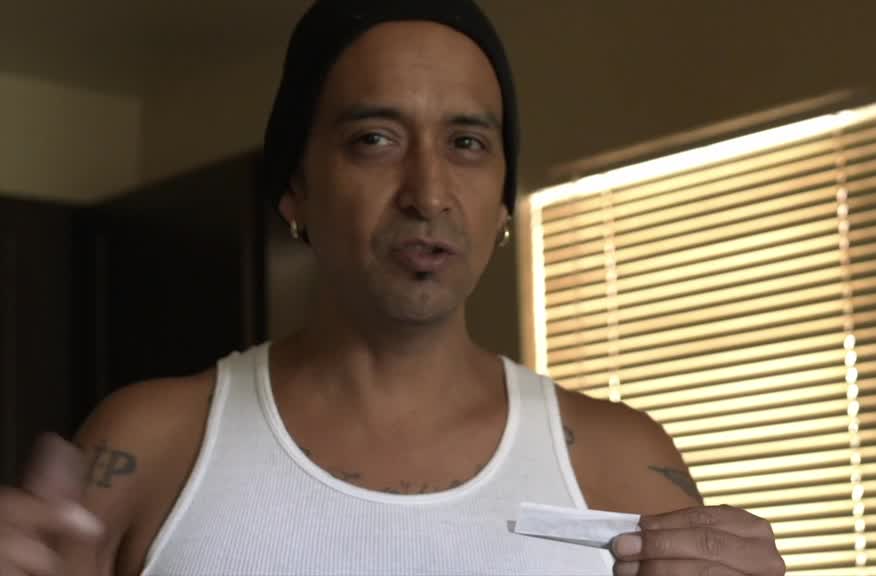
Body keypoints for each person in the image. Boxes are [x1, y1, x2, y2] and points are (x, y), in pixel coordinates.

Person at [0, 1, 785, 575]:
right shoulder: (151, 444)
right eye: (374, 139)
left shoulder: (624, 464)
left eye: (467, 143)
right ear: (296, 189)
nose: (428, 193)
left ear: (501, 201)